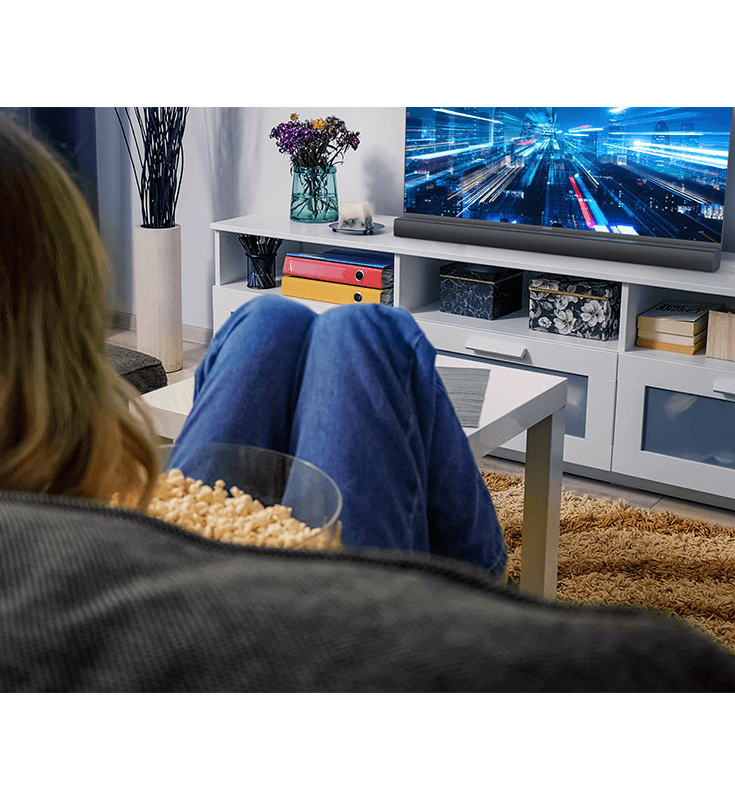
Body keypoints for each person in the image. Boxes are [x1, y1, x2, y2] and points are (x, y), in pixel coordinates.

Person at [0, 111, 507, 577]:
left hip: (172, 559)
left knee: (270, 316)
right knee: (365, 330)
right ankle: (472, 579)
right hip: (326, 607)